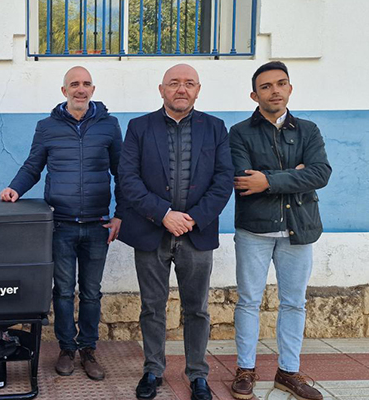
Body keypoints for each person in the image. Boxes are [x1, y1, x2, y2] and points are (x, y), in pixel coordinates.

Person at [0, 66, 123, 381]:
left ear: (93, 89)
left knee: (92, 292)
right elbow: (33, 166)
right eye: (74, 84)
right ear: (64, 90)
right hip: (61, 225)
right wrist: (14, 188)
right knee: (64, 291)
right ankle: (67, 349)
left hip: (98, 224)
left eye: (86, 84)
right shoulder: (47, 127)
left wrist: (120, 214)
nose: (80, 89)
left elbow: (122, 171)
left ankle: (88, 350)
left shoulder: (109, 126)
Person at [118, 64, 234, 400]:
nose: (181, 89)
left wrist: (193, 219)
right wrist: (164, 215)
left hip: (197, 235)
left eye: (189, 83)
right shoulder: (139, 127)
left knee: (197, 309)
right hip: (151, 232)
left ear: (198, 90)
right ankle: (153, 369)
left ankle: (198, 374)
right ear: (161, 89)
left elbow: (223, 180)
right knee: (152, 307)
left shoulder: (215, 128)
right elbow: (128, 179)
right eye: (174, 83)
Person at [229, 61, 331, 400]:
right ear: (254, 95)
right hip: (254, 230)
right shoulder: (240, 132)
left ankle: (288, 372)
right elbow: (244, 180)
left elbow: (320, 173)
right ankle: (245, 369)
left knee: (294, 303)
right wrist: (295, 174)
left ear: (289, 88)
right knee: (248, 301)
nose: (275, 90)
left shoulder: (309, 131)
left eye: (281, 83)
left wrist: (269, 180)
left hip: (299, 227)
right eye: (266, 86)